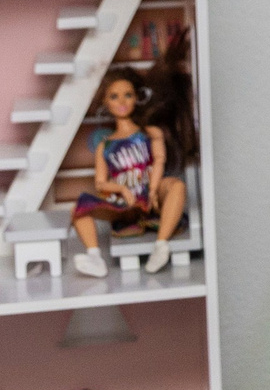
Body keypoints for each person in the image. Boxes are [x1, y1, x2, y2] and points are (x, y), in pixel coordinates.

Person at [69, 68, 187, 277]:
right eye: (114, 96)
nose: (122, 101)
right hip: (125, 203)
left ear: (137, 98)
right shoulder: (104, 146)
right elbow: (100, 183)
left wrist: (152, 190)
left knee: (177, 186)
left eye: (128, 95)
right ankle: (95, 257)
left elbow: (160, 160)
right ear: (106, 103)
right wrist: (121, 188)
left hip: (151, 194)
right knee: (79, 207)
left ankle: (161, 246)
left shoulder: (150, 133)